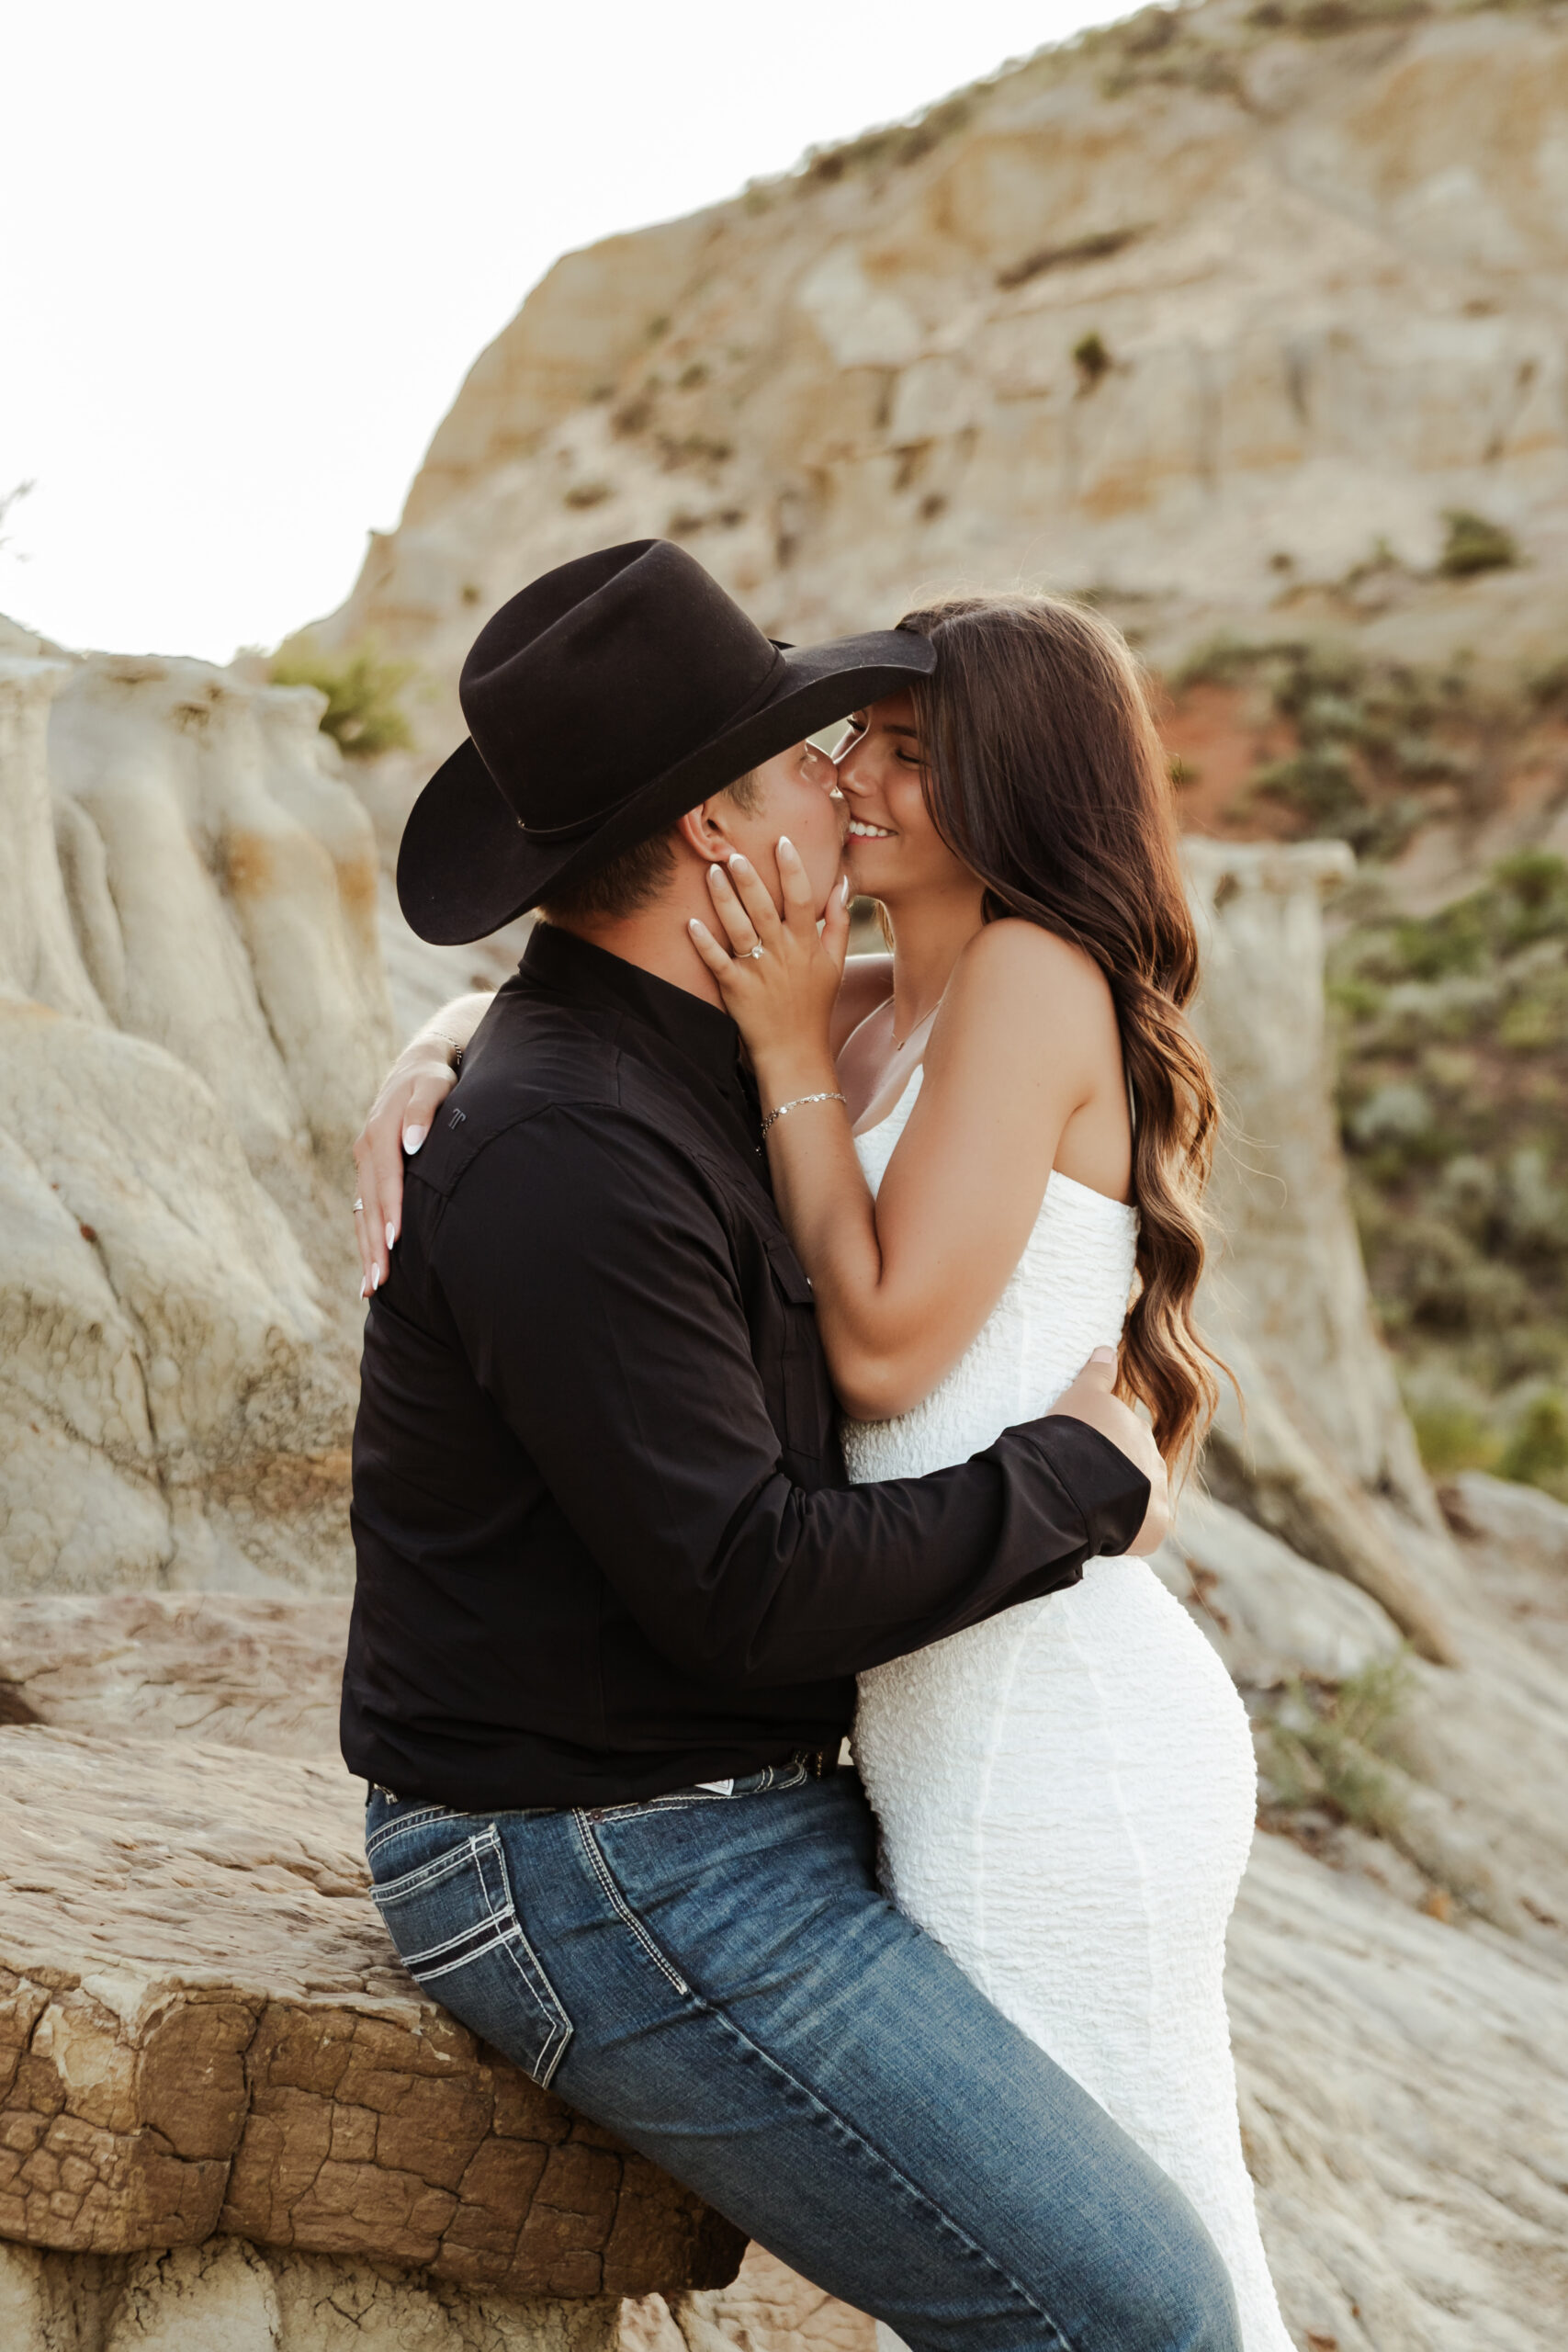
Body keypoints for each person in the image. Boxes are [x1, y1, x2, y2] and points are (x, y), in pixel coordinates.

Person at [346, 537, 1241, 2352]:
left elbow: (751, 1061)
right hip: (606, 1853)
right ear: (711, 842)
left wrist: (441, 1028)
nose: (840, 783)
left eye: (879, 749)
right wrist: (1077, 1473)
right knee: (1144, 2307)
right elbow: (747, 1583)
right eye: (803, 759)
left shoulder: (689, 1053)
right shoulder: (571, 1143)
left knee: (1148, 2230)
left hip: (783, 1786)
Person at [680, 591, 1293, 2352]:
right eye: (854, 737)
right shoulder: (882, 1001)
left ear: (1016, 792)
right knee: (1080, 2276)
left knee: (1107, 2277)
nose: (851, 777)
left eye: (910, 754)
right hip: (955, 1722)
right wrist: (424, 1065)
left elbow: (882, 1349)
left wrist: (786, 1053)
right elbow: (588, 1027)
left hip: (1057, 1744)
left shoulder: (1029, 979)